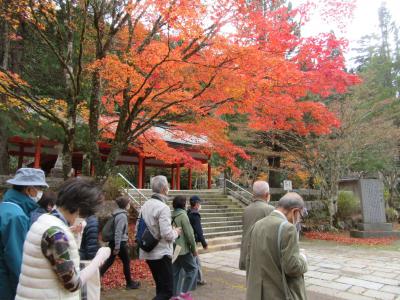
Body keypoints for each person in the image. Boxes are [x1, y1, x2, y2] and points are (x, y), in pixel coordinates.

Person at [15, 178, 111, 300]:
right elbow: (73, 284)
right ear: (80, 209)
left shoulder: (44, 220)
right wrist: (99, 258)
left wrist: (71, 233)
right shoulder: (57, 234)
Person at [246, 192, 308, 300]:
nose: (299, 220)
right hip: (278, 293)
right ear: (295, 211)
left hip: (257, 293)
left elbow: (249, 260)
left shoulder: (257, 225)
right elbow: (292, 267)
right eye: (300, 216)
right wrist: (303, 258)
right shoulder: (288, 229)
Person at [0, 168, 48, 300]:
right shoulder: (17, 216)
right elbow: (15, 258)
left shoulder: (5, 208)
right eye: (39, 188)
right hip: (6, 286)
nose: (40, 193)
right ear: (29, 189)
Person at [138, 175, 181, 300]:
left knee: (160, 287)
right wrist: (176, 232)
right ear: (163, 188)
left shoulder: (145, 205)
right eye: (167, 184)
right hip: (161, 253)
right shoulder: (163, 207)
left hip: (148, 251)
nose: (168, 187)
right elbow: (167, 234)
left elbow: (138, 227)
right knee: (167, 291)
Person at [100, 196, 140, 289]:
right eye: (128, 203)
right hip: (119, 243)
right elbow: (118, 232)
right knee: (126, 261)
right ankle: (129, 283)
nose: (129, 205)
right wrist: (117, 247)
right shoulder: (122, 216)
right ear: (125, 205)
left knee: (109, 261)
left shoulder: (117, 214)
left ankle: (97, 276)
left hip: (115, 242)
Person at [239, 180, 274, 271]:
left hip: (247, 252)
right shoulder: (270, 210)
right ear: (267, 195)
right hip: (261, 254)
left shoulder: (246, 209)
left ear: (253, 194)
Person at [171, 196, 198, 299]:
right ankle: (184, 293)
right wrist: (194, 249)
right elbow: (189, 234)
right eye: (185, 203)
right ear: (183, 204)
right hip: (183, 249)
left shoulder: (171, 214)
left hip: (174, 247)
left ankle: (174, 295)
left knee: (175, 272)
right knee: (193, 269)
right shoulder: (183, 216)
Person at [187, 195, 207, 285]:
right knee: (195, 260)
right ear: (195, 204)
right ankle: (198, 279)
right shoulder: (195, 215)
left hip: (188, 240)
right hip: (193, 240)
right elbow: (199, 231)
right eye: (199, 203)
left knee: (194, 259)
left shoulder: (188, 212)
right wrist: (204, 243)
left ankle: (198, 278)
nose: (200, 205)